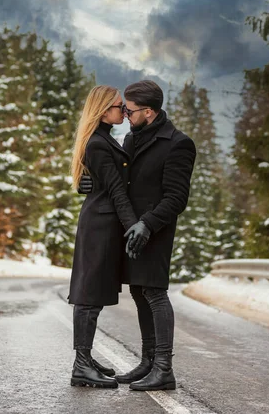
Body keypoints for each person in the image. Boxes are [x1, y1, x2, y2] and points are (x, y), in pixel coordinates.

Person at [79, 80, 196, 391]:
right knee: (139, 292)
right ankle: (147, 361)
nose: (126, 115)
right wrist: (90, 184)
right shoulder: (132, 138)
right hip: (130, 231)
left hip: (153, 230)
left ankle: (164, 369)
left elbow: (176, 197)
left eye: (129, 110)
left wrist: (147, 224)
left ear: (149, 111)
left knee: (155, 294)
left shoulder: (177, 143)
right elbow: (119, 179)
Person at [69, 85, 140, 389]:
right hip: (100, 224)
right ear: (102, 110)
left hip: (101, 222)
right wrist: (133, 226)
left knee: (93, 293)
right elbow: (115, 190)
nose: (123, 110)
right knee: (89, 295)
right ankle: (81, 365)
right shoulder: (98, 143)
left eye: (125, 106)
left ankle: (84, 360)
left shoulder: (104, 139)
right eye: (117, 106)